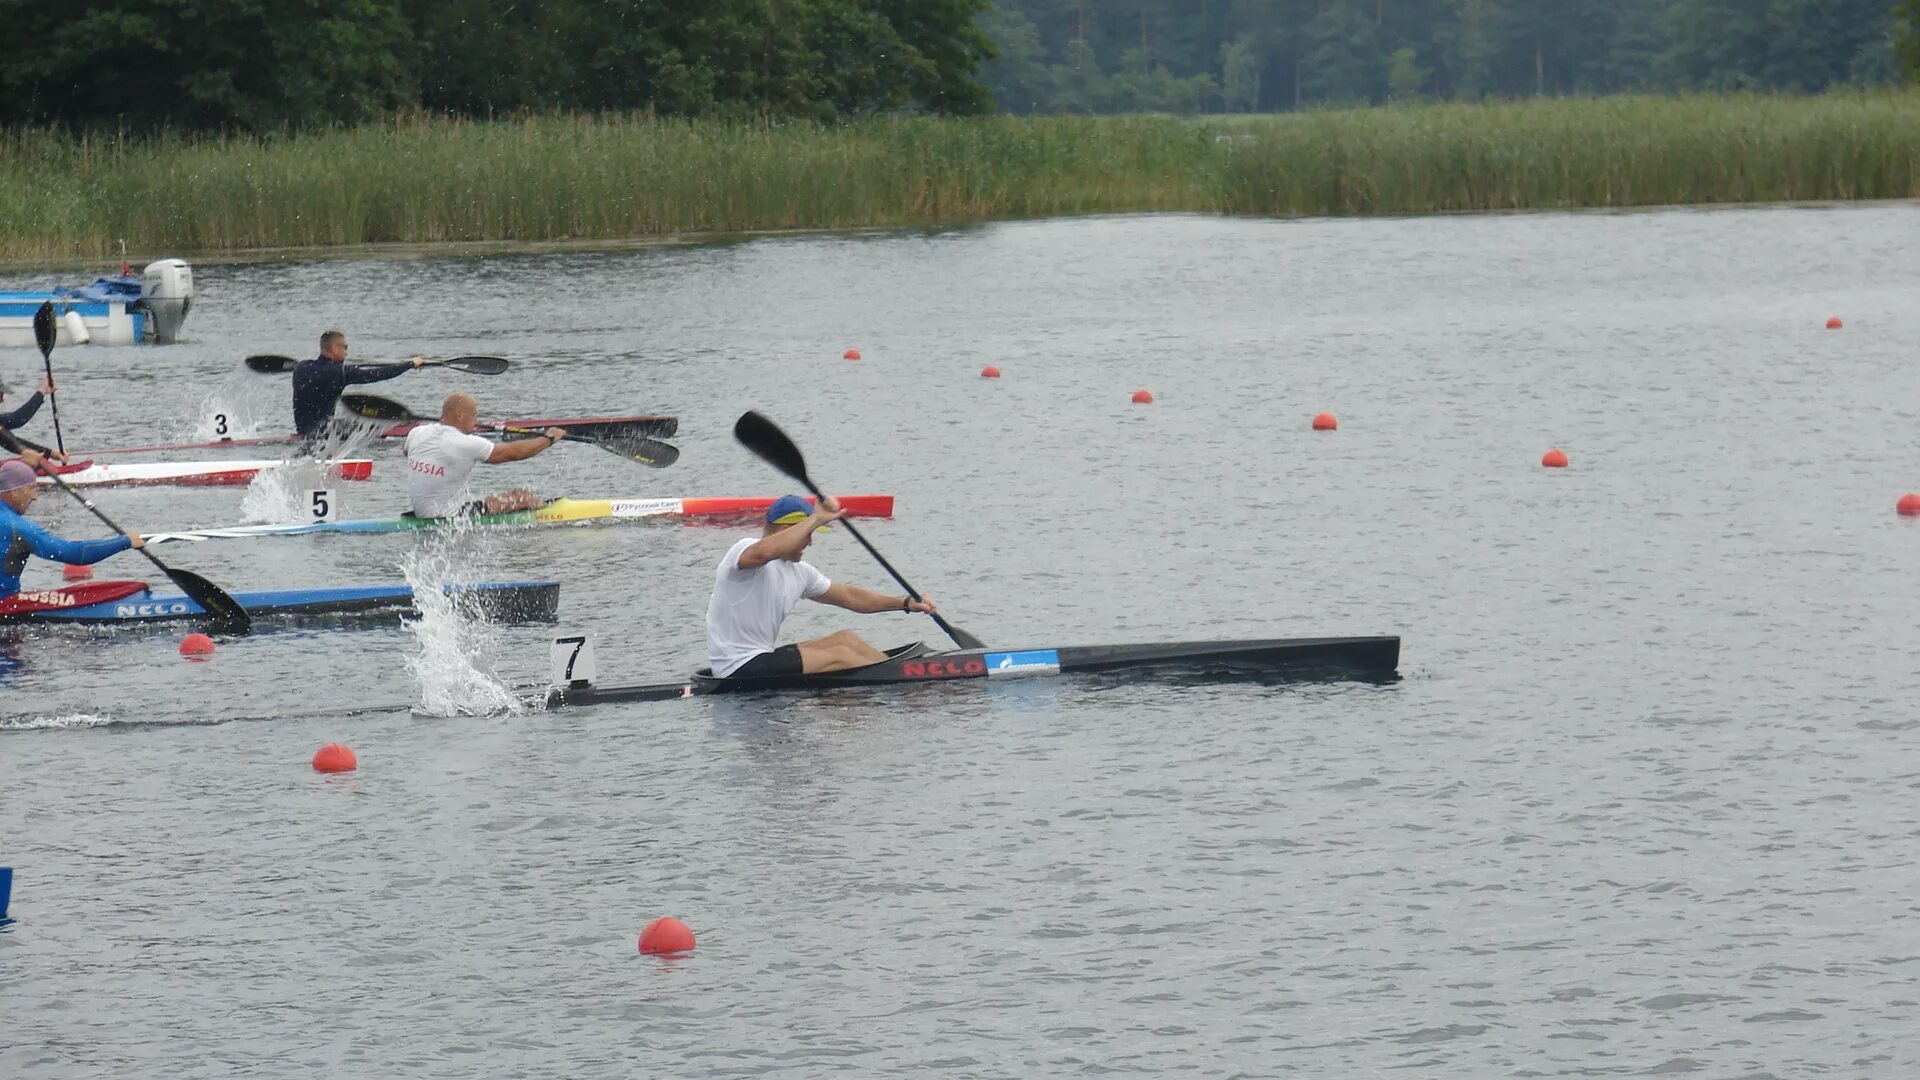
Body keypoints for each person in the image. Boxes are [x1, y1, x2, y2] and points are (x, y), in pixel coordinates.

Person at [707, 494, 937, 679]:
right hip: (736, 667)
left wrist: (906, 603)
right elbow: (763, 552)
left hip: (760, 659)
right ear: (785, 530)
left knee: (845, 640)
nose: (810, 542)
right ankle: (905, 683)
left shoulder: (800, 572)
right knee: (841, 654)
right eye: (808, 534)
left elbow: (851, 597)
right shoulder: (744, 552)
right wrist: (815, 519)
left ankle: (901, 674)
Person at [404, 392, 566, 519]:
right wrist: (549, 439)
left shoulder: (416, 432)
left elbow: (408, 453)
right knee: (523, 497)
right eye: (474, 415)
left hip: (422, 512)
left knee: (509, 495)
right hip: (448, 516)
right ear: (460, 415)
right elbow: (514, 453)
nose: (476, 420)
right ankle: (549, 517)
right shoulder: (466, 443)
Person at [0, 460, 141, 599]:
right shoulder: (17, 527)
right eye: (31, 488)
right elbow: (76, 554)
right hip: (6, 607)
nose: (35, 496)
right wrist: (125, 541)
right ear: (14, 491)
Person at [292, 330, 425, 438]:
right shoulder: (340, 373)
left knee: (349, 422)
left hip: (303, 429)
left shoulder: (301, 368)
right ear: (334, 348)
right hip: (322, 433)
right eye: (345, 348)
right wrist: (410, 364)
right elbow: (378, 374)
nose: (346, 353)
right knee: (372, 425)